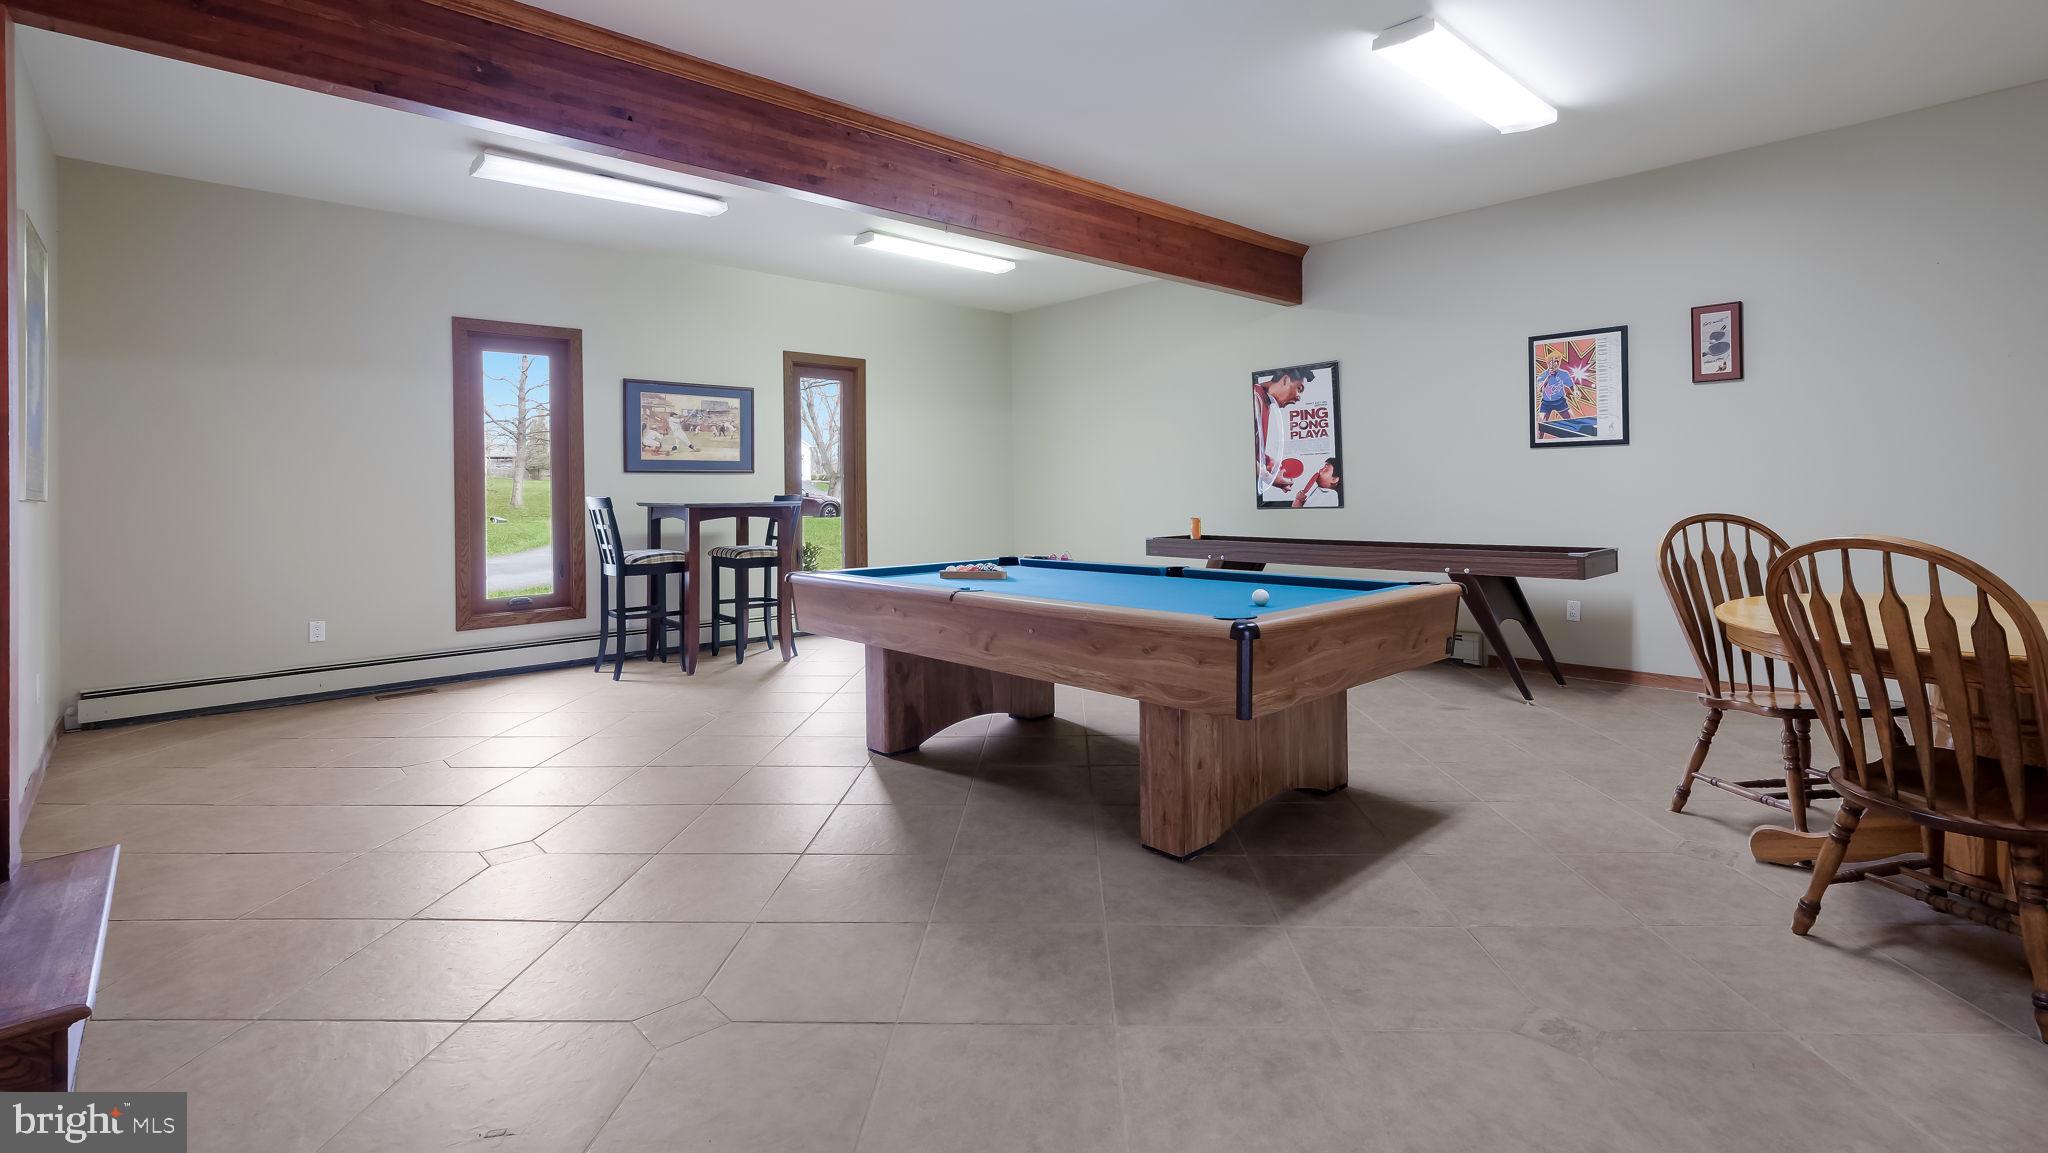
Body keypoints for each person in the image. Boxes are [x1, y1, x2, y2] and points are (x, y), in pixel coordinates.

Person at [1253, 366, 1312, 501]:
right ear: (1285, 380)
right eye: (1299, 389)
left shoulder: (1263, 401)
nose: (1299, 398)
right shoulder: (1253, 398)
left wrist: (1268, 462)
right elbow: (1238, 453)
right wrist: (1270, 478)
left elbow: (1248, 449)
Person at [1535, 347, 1575, 424]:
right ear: (1548, 363)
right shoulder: (1542, 376)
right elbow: (1540, 390)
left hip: (1560, 401)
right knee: (1541, 426)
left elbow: (1571, 386)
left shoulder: (1564, 374)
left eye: (1557, 361)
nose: (1556, 363)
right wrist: (1548, 377)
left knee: (1573, 421)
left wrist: (1575, 391)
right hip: (1546, 403)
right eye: (1553, 361)